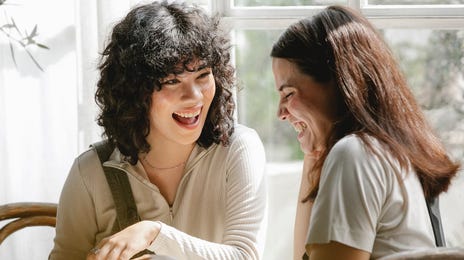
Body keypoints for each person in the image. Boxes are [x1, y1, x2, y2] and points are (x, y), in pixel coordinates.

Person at [49, 1, 267, 259]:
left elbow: (245, 256)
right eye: (172, 81)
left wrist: (154, 234)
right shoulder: (90, 172)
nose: (194, 96)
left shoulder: (238, 148)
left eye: (203, 75)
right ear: (134, 91)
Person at [270, 5, 460, 260]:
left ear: (338, 83)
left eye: (289, 93)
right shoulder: (388, 153)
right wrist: (314, 154)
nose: (280, 112)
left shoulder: (354, 155)